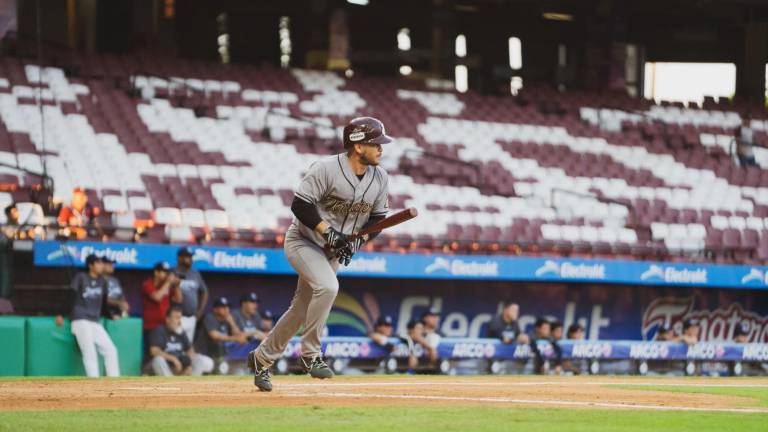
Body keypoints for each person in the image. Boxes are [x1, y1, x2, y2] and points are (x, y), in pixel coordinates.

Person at [248, 117, 391, 391]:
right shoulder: (326, 168)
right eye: (376, 143)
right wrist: (329, 232)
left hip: (334, 251)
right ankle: (311, 355)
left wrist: (356, 243)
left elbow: (378, 220)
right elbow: (300, 205)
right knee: (327, 287)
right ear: (358, 146)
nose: (381, 149)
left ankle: (261, 359)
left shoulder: (380, 177)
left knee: (301, 310)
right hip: (304, 241)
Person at [55, 254, 121, 377]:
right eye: (98, 263)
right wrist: (61, 314)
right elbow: (71, 297)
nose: (101, 266)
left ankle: (114, 381)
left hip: (94, 322)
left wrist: (111, 316)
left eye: (102, 263)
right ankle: (94, 383)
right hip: (80, 320)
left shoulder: (103, 281)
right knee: (89, 351)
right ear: (91, 265)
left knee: (111, 349)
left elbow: (103, 305)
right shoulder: (81, 277)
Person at [148, 306, 214, 376]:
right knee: (158, 360)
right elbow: (154, 351)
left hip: (179, 366)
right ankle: (170, 384)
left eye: (180, 318)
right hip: (166, 366)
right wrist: (173, 359)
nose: (179, 321)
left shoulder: (181, 332)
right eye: (176, 318)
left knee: (198, 360)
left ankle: (191, 383)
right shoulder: (159, 330)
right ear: (168, 319)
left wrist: (188, 364)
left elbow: (190, 350)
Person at [195, 296, 247, 366]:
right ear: (215, 309)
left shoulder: (227, 319)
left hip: (217, 355)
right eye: (223, 307)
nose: (226, 309)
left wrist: (232, 323)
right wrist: (235, 338)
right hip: (203, 354)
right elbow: (214, 336)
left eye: (227, 306)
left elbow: (239, 335)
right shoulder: (209, 317)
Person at [173, 246, 209, 342]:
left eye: (190, 257)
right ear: (179, 258)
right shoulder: (173, 272)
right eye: (186, 257)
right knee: (175, 344)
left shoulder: (195, 273)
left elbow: (204, 291)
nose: (189, 259)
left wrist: (200, 311)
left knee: (187, 345)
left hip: (192, 317)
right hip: (177, 316)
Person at [142, 261, 181, 336]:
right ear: (156, 272)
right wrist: (168, 282)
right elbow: (157, 297)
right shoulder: (147, 284)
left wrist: (177, 286)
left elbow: (178, 300)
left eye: (167, 272)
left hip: (165, 325)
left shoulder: (166, 285)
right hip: (151, 326)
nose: (167, 275)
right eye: (164, 272)